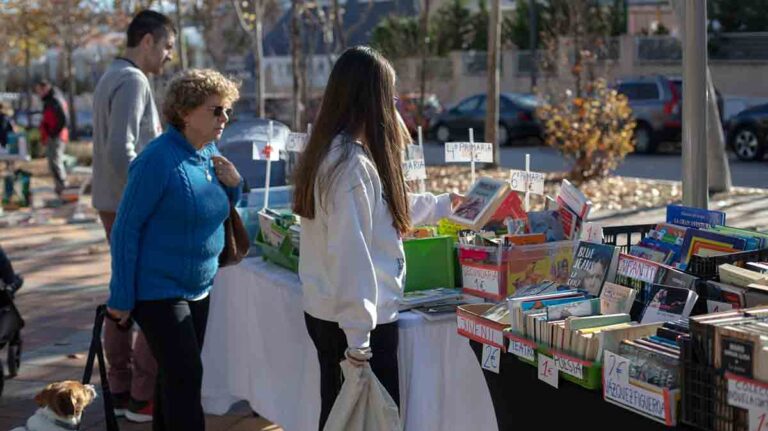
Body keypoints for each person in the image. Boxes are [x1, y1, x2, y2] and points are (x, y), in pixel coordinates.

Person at [292, 46, 460, 430]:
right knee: (357, 415)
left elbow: (380, 212)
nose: (395, 106)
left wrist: (445, 205)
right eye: (391, 95)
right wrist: (358, 340)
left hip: (341, 317)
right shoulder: (348, 164)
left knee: (343, 414)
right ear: (373, 98)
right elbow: (351, 254)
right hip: (354, 325)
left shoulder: (337, 154)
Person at [106, 68, 242, 431]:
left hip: (199, 286)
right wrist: (120, 296)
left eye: (227, 110)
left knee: (174, 378)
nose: (224, 118)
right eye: (216, 110)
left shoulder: (208, 152)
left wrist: (235, 187)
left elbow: (215, 209)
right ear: (185, 112)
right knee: (186, 377)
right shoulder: (156, 160)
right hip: (159, 289)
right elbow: (125, 230)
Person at [91, 9, 175, 423]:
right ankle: (141, 394)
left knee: (124, 291)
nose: (168, 57)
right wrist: (148, 198)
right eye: (167, 47)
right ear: (148, 42)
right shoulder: (133, 79)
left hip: (113, 202)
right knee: (150, 298)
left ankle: (123, 388)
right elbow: (120, 150)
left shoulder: (112, 75)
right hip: (127, 205)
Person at [34, 80, 69, 197]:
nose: (39, 93)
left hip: (58, 135)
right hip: (52, 135)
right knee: (51, 162)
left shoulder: (55, 100)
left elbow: (63, 119)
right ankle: (59, 187)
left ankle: (63, 185)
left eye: (40, 90)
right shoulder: (48, 101)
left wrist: (54, 132)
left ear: (46, 88)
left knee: (55, 160)